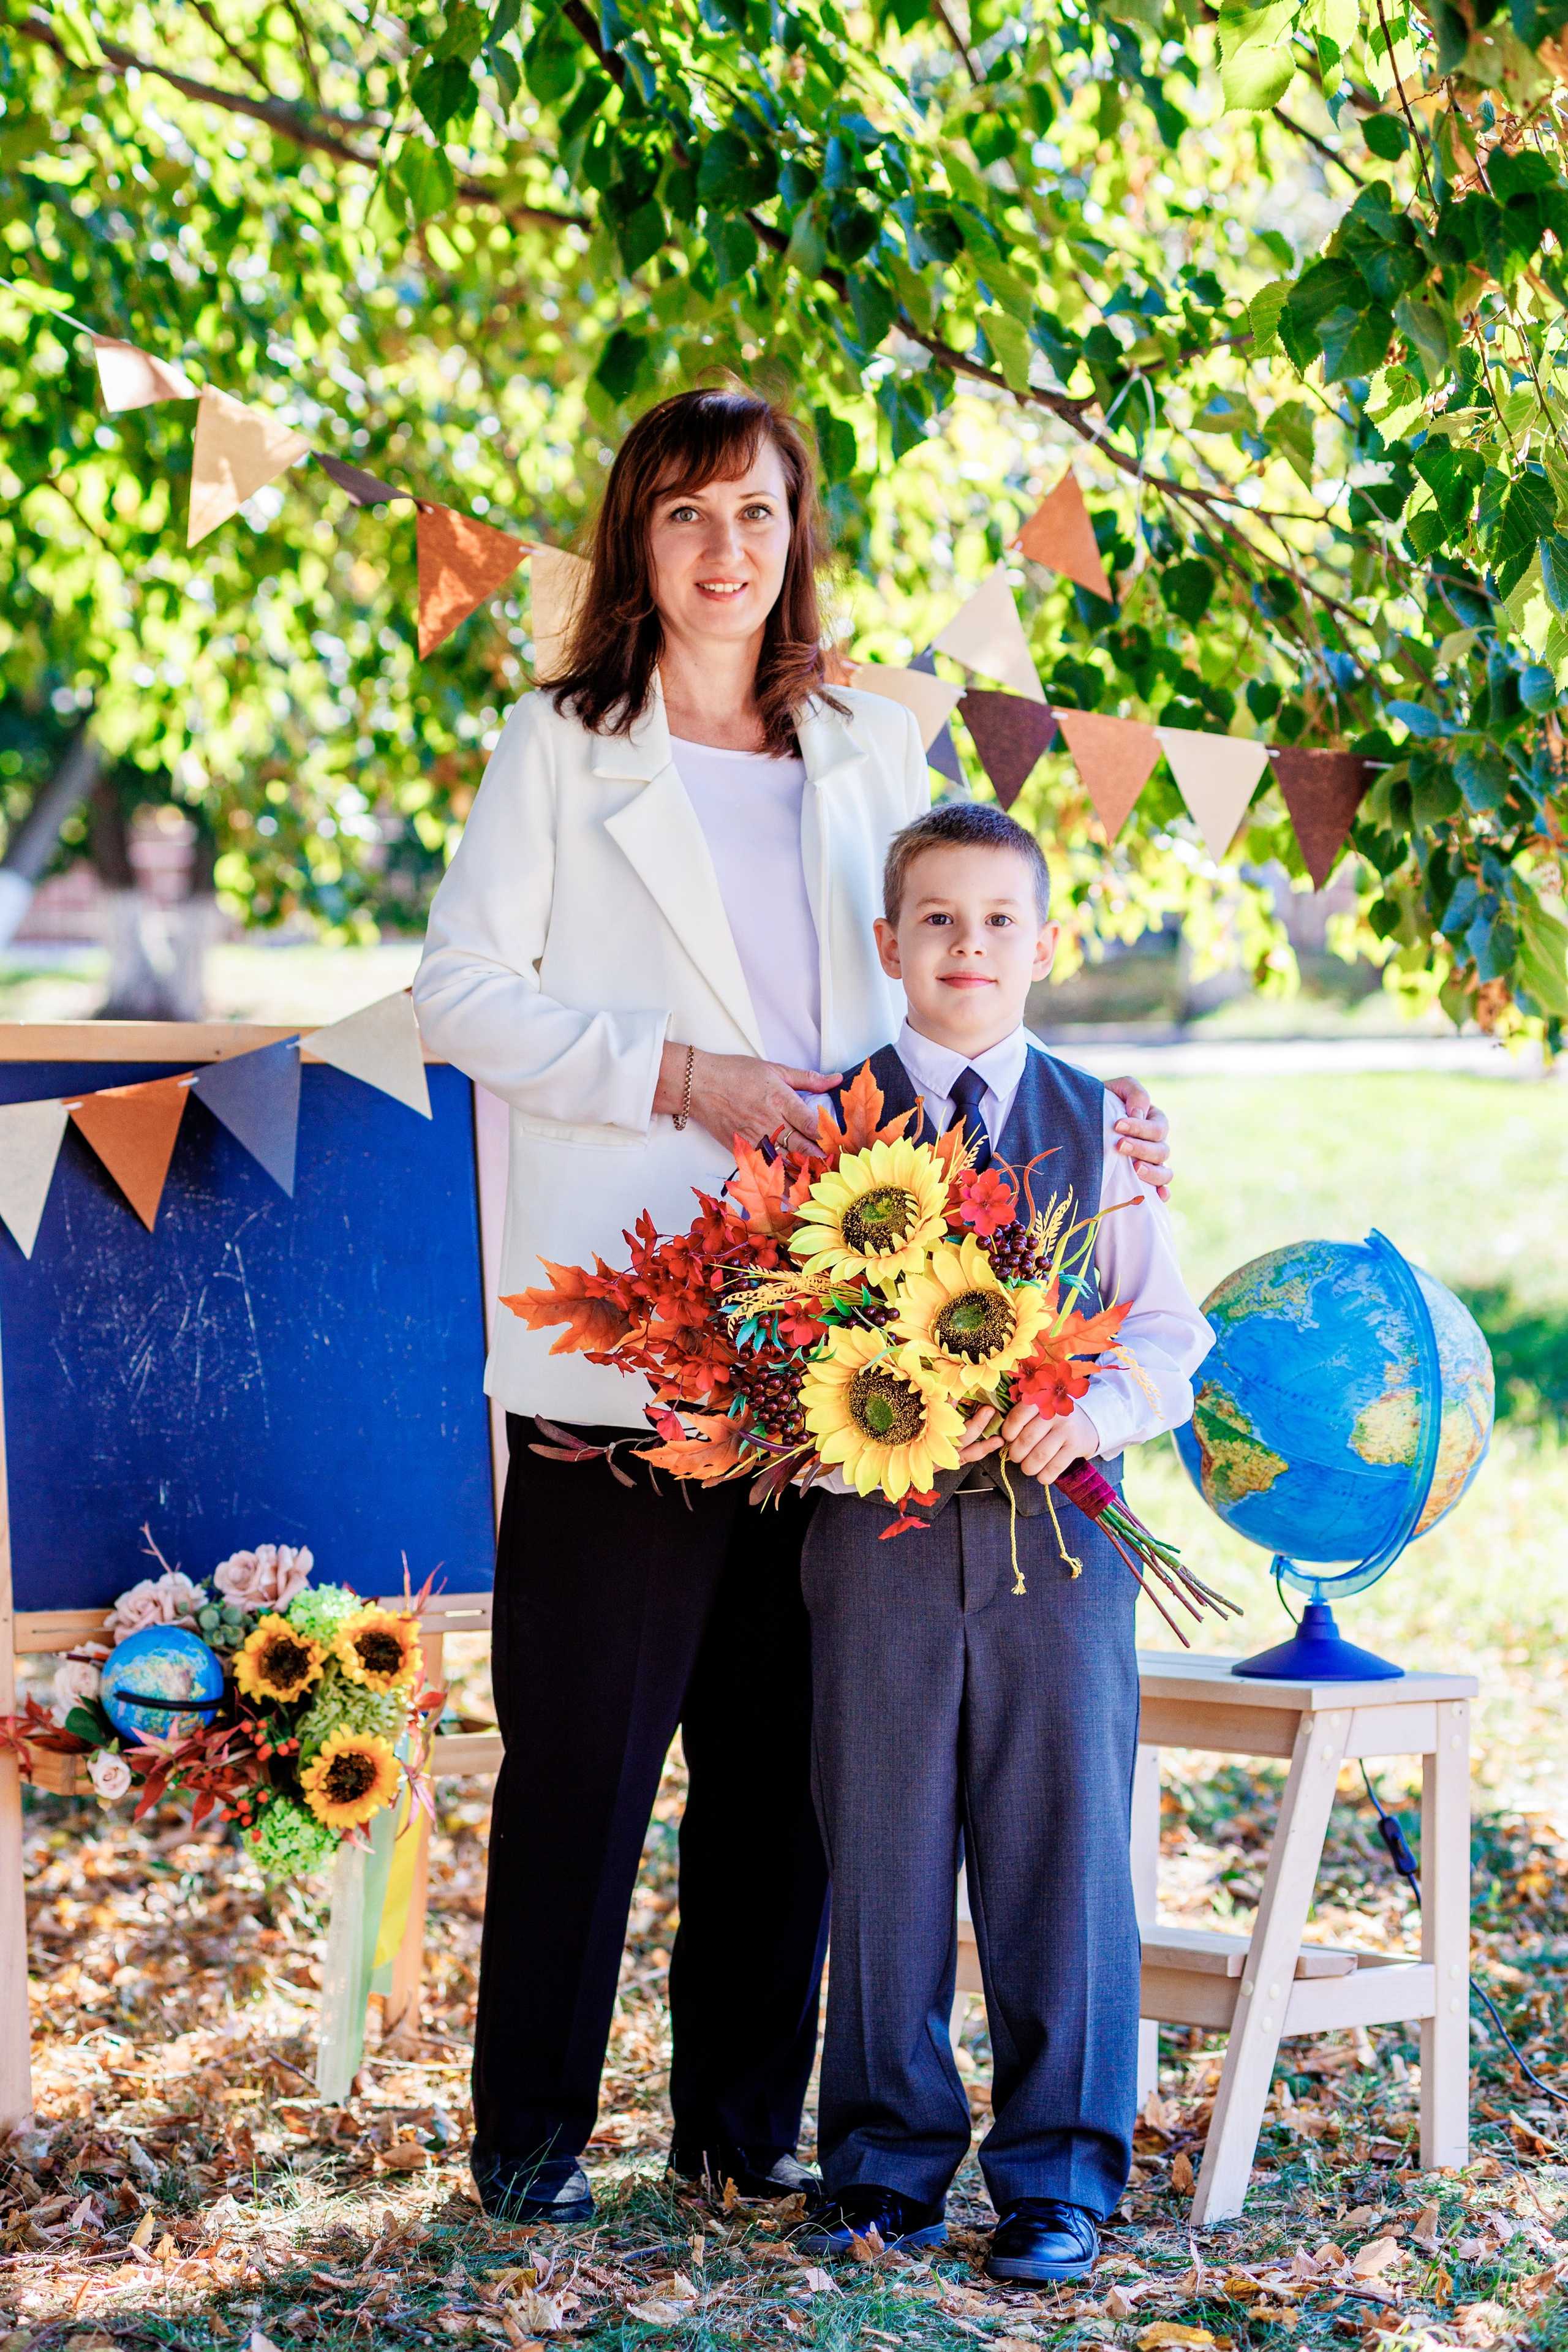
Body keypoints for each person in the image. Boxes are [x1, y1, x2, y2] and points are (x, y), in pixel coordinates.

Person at [412, 387, 1175, 2224]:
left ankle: (738, 2133)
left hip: (835, 1337)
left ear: (794, 532)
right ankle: (530, 2143)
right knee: (588, 1751)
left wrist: (1094, 1107)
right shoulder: (559, 743)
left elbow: (949, 974)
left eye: (753, 512)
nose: (723, 549)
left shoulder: (858, 741)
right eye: (684, 515)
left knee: (787, 1766)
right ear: (633, 541)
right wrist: (681, 1077)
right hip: (623, 1327)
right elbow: (460, 995)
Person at [797, 801, 1212, 2282]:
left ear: (1043, 943)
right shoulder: (821, 1122)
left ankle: (1059, 2175)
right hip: (877, 1541)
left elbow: (1169, 1333)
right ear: (886, 944)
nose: (965, 945)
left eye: (995, 921)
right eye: (935, 920)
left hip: (1063, 1541)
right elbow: (768, 1336)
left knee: (1058, 1851)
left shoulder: (1102, 1121)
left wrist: (1083, 1414)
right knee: (883, 1844)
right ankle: (885, 2162)